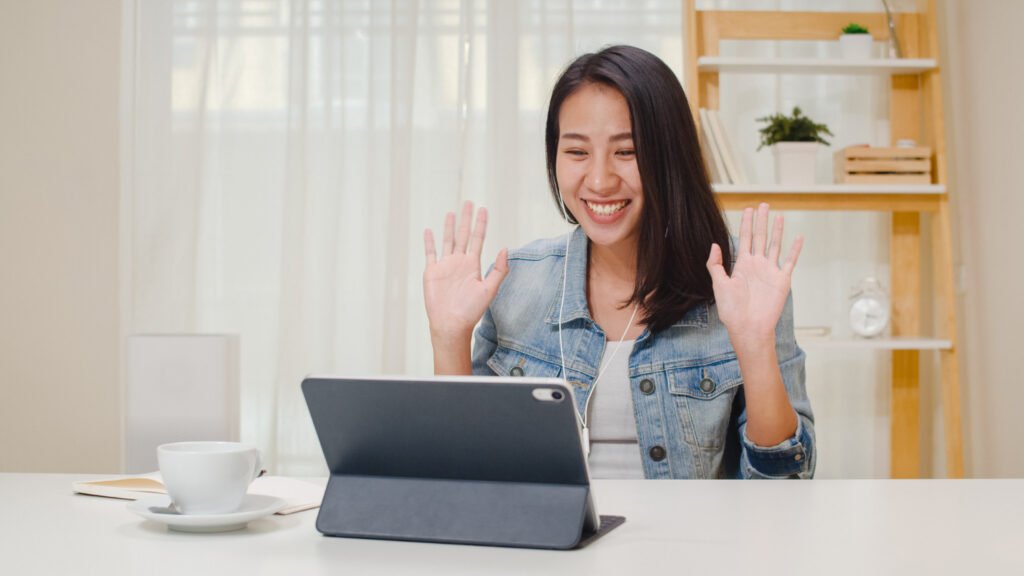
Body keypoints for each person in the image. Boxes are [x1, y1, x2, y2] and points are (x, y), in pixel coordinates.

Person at [422, 45, 814, 479]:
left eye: (626, 152)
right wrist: (449, 339)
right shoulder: (515, 282)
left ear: (670, 157)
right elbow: (466, 473)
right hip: (547, 545)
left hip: (690, 544)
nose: (600, 180)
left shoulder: (741, 282)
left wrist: (755, 346)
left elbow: (785, 483)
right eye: (576, 152)